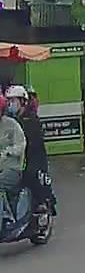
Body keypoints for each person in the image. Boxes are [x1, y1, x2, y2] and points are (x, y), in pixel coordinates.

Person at [6, 85, 55, 217]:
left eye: (13, 101)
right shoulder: (9, 120)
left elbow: (32, 143)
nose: (10, 104)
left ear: (22, 102)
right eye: (8, 101)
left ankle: (41, 203)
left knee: (31, 175)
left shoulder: (31, 119)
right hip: (15, 157)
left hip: (33, 157)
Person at [0, 93, 26, 227]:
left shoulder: (12, 125)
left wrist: (8, 152)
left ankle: (5, 218)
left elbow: (21, 145)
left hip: (12, 169)